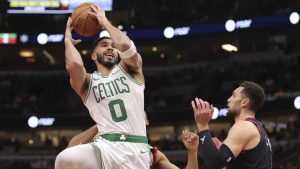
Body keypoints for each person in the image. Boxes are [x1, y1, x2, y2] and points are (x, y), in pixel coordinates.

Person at [55, 4, 150, 169]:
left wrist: (105, 23)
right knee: (64, 159)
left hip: (135, 148)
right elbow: (74, 65)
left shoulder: (132, 70)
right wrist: (68, 42)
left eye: (113, 45)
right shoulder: (88, 83)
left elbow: (126, 47)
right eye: (104, 45)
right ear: (93, 55)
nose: (110, 47)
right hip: (105, 145)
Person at [191, 81, 272, 169]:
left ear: (244, 102)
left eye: (233, 95)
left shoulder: (244, 126)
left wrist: (202, 125)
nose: (228, 99)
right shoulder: (256, 128)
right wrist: (223, 152)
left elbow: (215, 164)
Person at [67, 119, 199, 169]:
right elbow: (69, 153)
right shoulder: (102, 137)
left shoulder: (151, 153)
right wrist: (100, 123)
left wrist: (192, 152)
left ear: (146, 121)